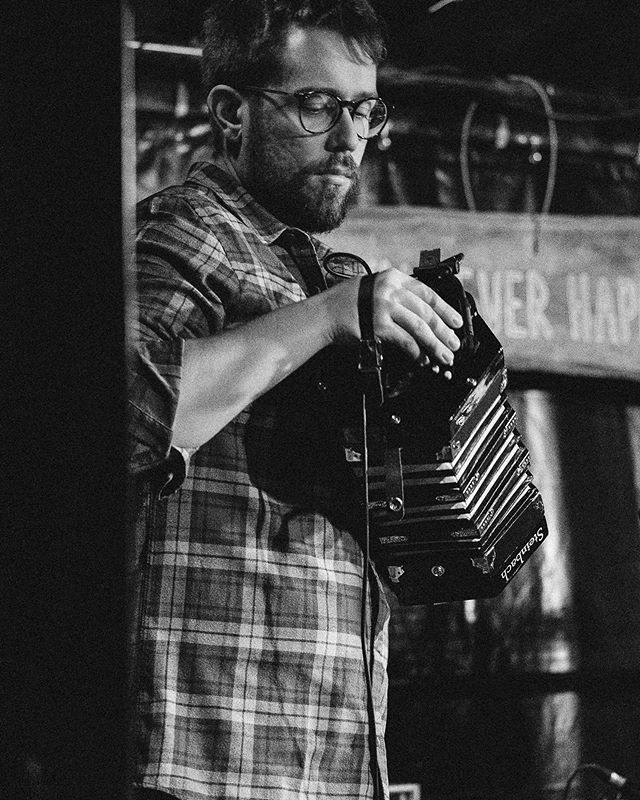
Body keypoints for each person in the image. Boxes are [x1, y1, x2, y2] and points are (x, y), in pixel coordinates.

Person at [128, 2, 463, 798]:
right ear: (229, 113)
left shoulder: (332, 276)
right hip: (207, 763)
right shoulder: (189, 232)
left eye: (364, 109)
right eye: (316, 104)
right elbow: (125, 425)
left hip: (329, 762)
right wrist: (325, 318)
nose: (349, 138)